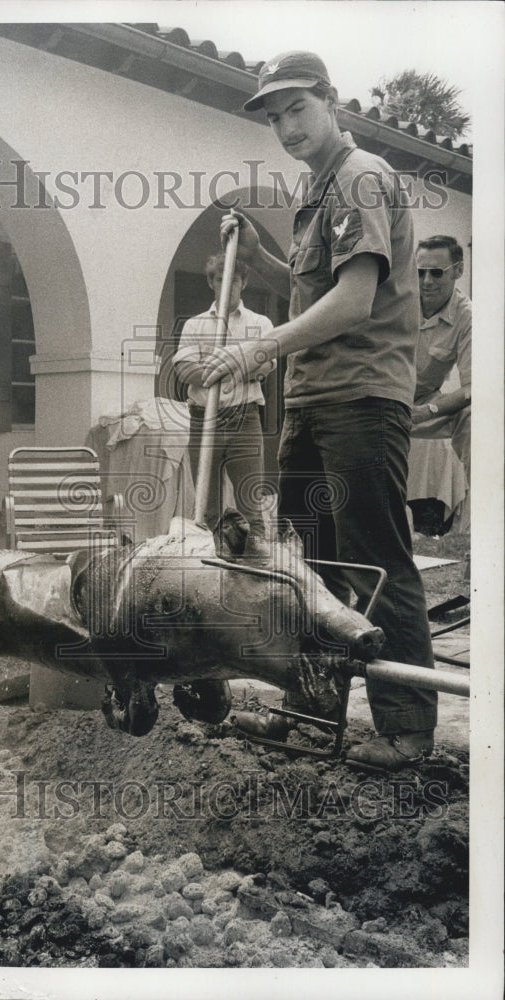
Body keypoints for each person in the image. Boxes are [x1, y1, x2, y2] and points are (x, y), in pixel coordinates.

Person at [207, 50, 436, 771]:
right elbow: (311, 292)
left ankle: (403, 728)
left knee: (374, 561)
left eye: (295, 109)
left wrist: (258, 349)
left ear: (330, 101)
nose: (284, 126)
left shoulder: (361, 177)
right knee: (312, 568)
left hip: (361, 399)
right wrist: (260, 255)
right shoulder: (317, 190)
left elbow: (355, 299)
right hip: (309, 402)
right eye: (272, 117)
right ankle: (312, 713)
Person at [173, 253, 273, 541]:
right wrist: (241, 365)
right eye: (220, 279)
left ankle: (256, 571)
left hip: (245, 419)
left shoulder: (259, 323)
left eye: (234, 279)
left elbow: (266, 364)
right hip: (204, 421)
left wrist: (218, 365)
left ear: (243, 283)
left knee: (251, 507)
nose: (227, 284)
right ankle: (219, 572)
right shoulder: (195, 325)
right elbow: (184, 370)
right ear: (211, 282)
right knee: (209, 510)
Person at [410, 235, 471, 488]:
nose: (426, 282)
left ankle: (484, 510)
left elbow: (472, 388)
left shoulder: (468, 317)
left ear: (458, 271)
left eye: (436, 273)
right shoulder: (397, 299)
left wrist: (426, 411)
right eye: (420, 272)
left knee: (475, 416)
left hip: (424, 402)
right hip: (382, 395)